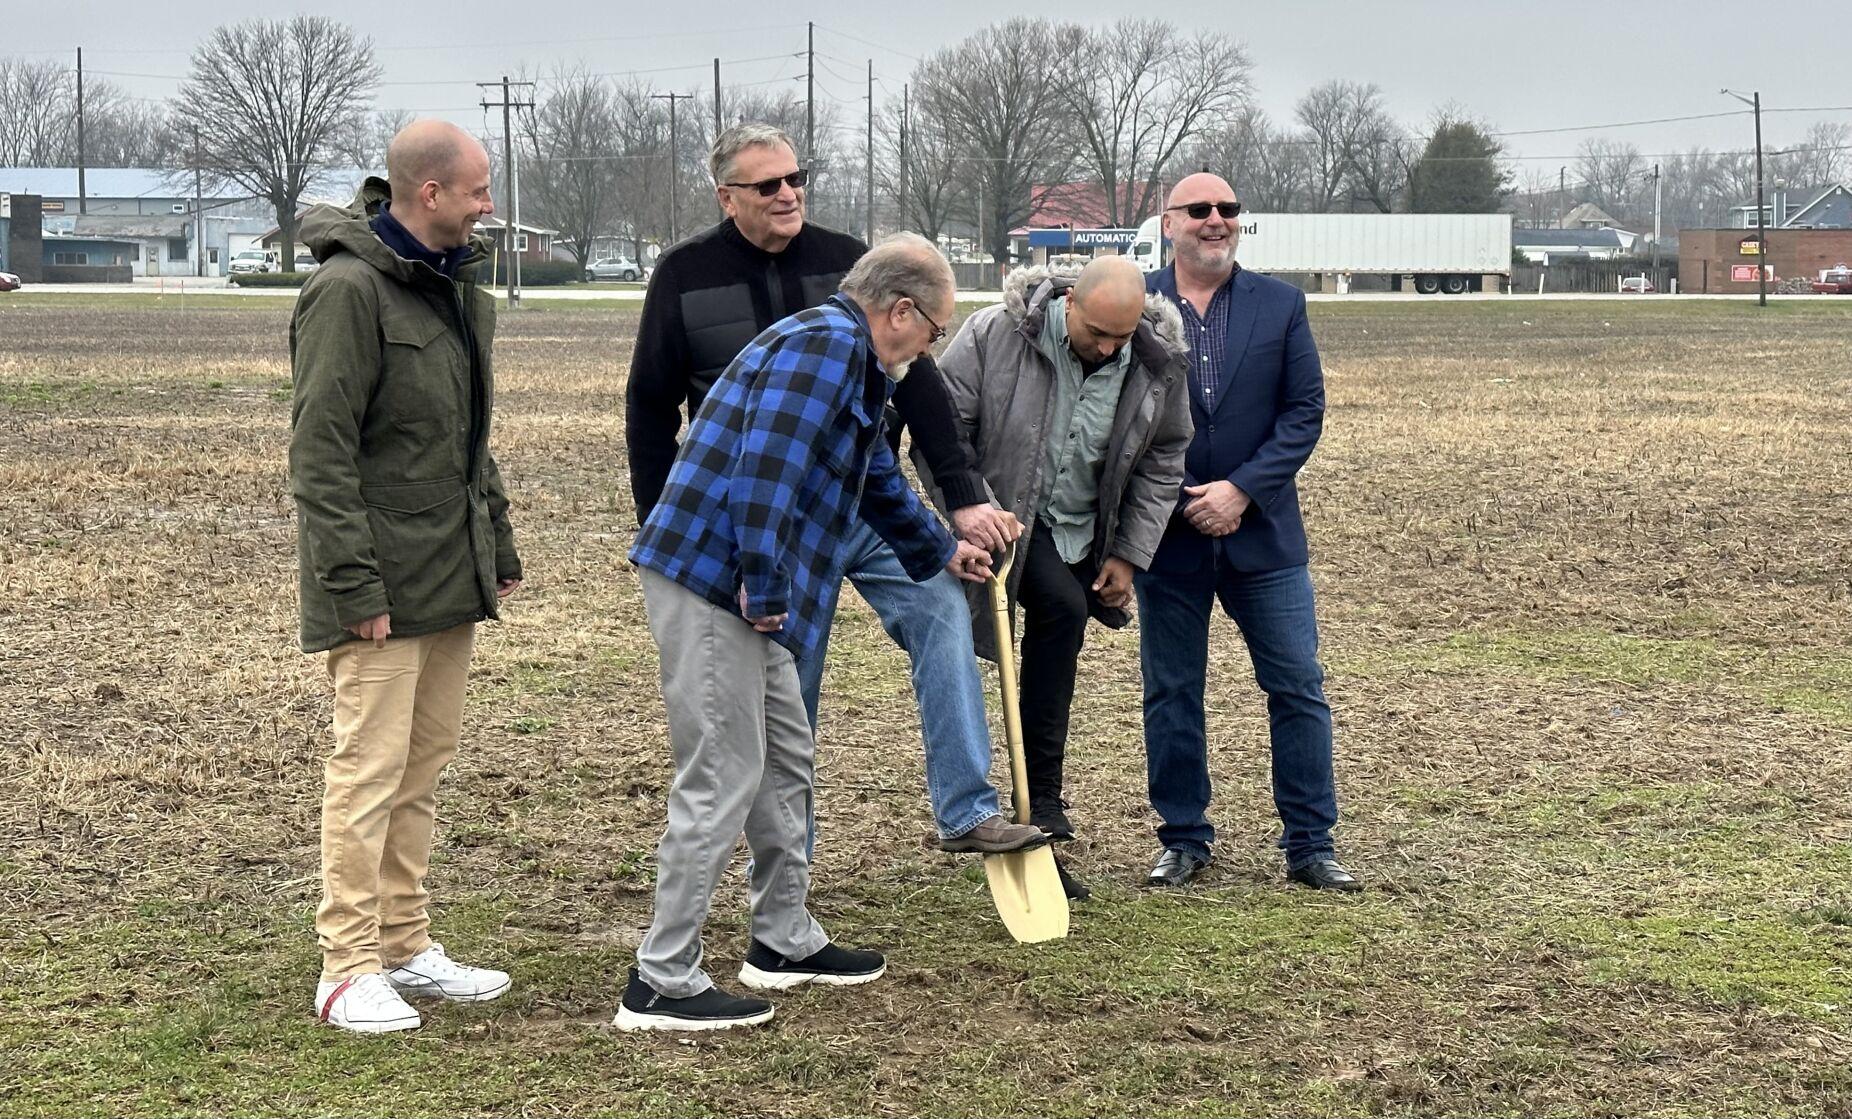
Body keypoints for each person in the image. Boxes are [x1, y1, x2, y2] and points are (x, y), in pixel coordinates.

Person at [625, 122, 1041, 856]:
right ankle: (788, 859)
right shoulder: (683, 274)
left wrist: (958, 504)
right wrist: (664, 530)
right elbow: (650, 406)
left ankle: (968, 810)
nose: (789, 194)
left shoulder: (852, 262)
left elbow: (916, 387)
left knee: (942, 604)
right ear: (727, 197)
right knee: (790, 677)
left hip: (863, 497)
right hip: (767, 514)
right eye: (768, 185)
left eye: (797, 178)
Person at [618, 235, 993, 1032]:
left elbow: (877, 479)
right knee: (724, 770)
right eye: (935, 331)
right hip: (714, 580)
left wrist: (942, 550)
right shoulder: (823, 347)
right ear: (900, 311)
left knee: (786, 757)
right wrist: (764, 581)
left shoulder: (852, 360)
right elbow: (766, 471)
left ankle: (783, 940)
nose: (930, 348)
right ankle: (661, 977)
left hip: (740, 581)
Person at [288, 120, 523, 1033]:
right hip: (379, 589)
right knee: (369, 771)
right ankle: (346, 967)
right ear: (431, 193)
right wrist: (354, 588)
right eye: (479, 190)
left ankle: (402, 941)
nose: (489, 205)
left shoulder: (454, 288)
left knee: (421, 767)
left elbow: (468, 439)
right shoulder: (347, 291)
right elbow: (321, 455)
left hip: (447, 573)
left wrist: (495, 545)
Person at [1136, 173, 1360, 891]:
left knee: (1297, 685)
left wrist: (1241, 491)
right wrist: (1175, 499)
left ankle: (1311, 844)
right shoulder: (1132, 303)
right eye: (1199, 209)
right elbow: (1111, 413)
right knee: (1172, 692)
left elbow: (1304, 411)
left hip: (1264, 537)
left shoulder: (1281, 304)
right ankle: (1183, 837)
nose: (1216, 220)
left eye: (1228, 209)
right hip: (1168, 537)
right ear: (1168, 223)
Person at [930, 256, 1191, 848]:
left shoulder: (1157, 361)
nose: (1108, 348)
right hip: (1007, 515)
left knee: (1060, 635)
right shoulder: (994, 333)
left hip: (1082, 529)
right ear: (1069, 301)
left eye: (1121, 336)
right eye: (1096, 332)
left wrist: (1128, 552)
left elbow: (1163, 458)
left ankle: (1040, 793)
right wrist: (970, 509)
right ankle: (1030, 796)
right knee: (1062, 610)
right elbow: (943, 427)